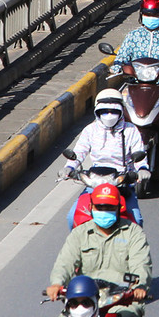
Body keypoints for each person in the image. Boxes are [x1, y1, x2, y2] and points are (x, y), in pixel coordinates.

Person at [46, 184, 150, 317]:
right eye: (100, 207)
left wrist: (139, 287)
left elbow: (141, 264)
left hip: (121, 300)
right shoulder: (79, 234)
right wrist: (57, 283)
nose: (104, 211)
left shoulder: (134, 233)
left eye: (109, 207)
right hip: (85, 297)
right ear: (92, 208)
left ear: (119, 208)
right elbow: (65, 262)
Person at [61, 89, 148, 223]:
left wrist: (142, 169)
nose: (109, 115)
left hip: (121, 181)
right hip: (95, 181)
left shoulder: (131, 130)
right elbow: (79, 152)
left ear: (121, 111)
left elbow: (139, 152)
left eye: (113, 111)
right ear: (97, 112)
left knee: (136, 220)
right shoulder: (90, 130)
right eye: (104, 111)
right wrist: (69, 168)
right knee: (72, 217)